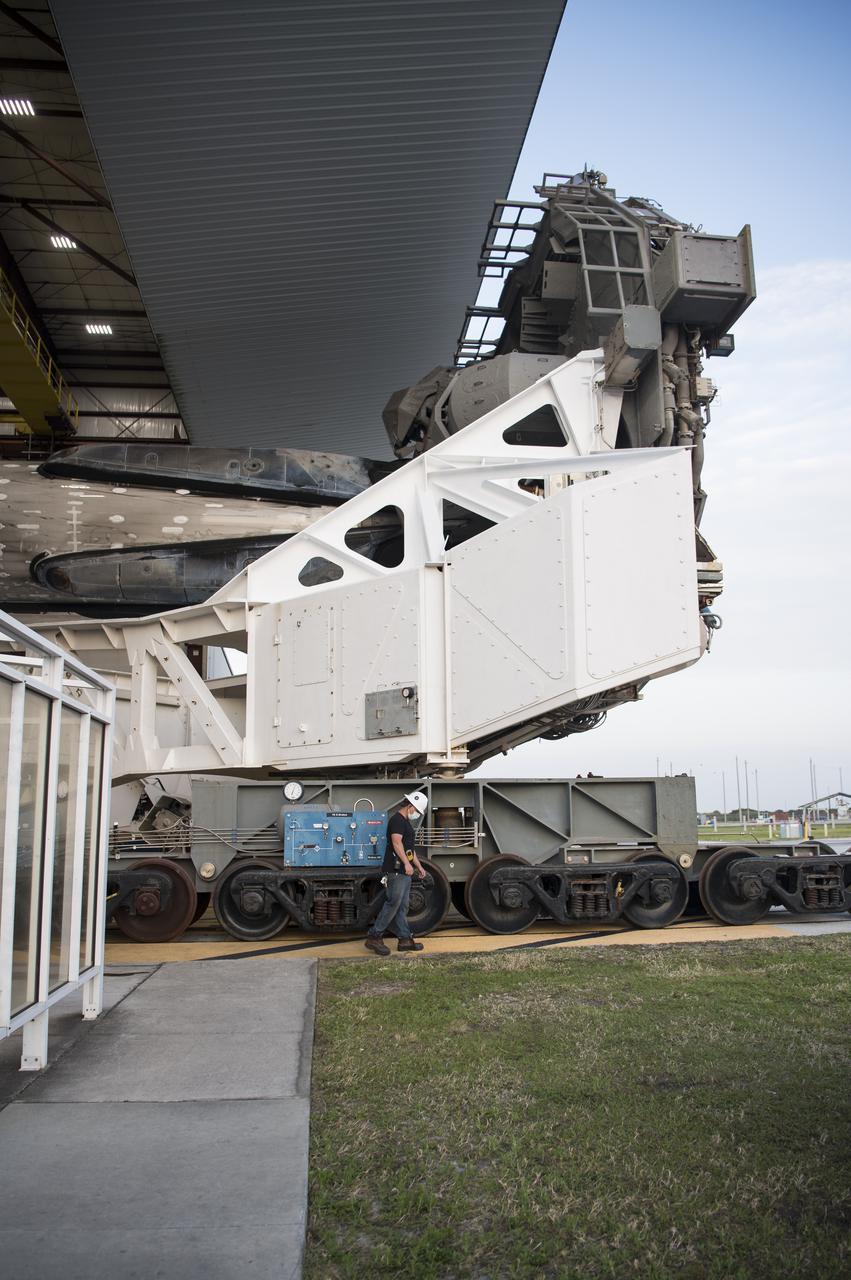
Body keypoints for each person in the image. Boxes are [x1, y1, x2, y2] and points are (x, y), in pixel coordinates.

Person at [364, 791, 428, 955]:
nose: (417, 814)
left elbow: (408, 849)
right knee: (393, 902)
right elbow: (396, 842)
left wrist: (418, 866)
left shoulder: (405, 822)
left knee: (402, 905)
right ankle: (374, 936)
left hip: (403, 870)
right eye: (417, 811)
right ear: (410, 806)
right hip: (396, 870)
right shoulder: (397, 820)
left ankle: (405, 939)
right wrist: (407, 864)